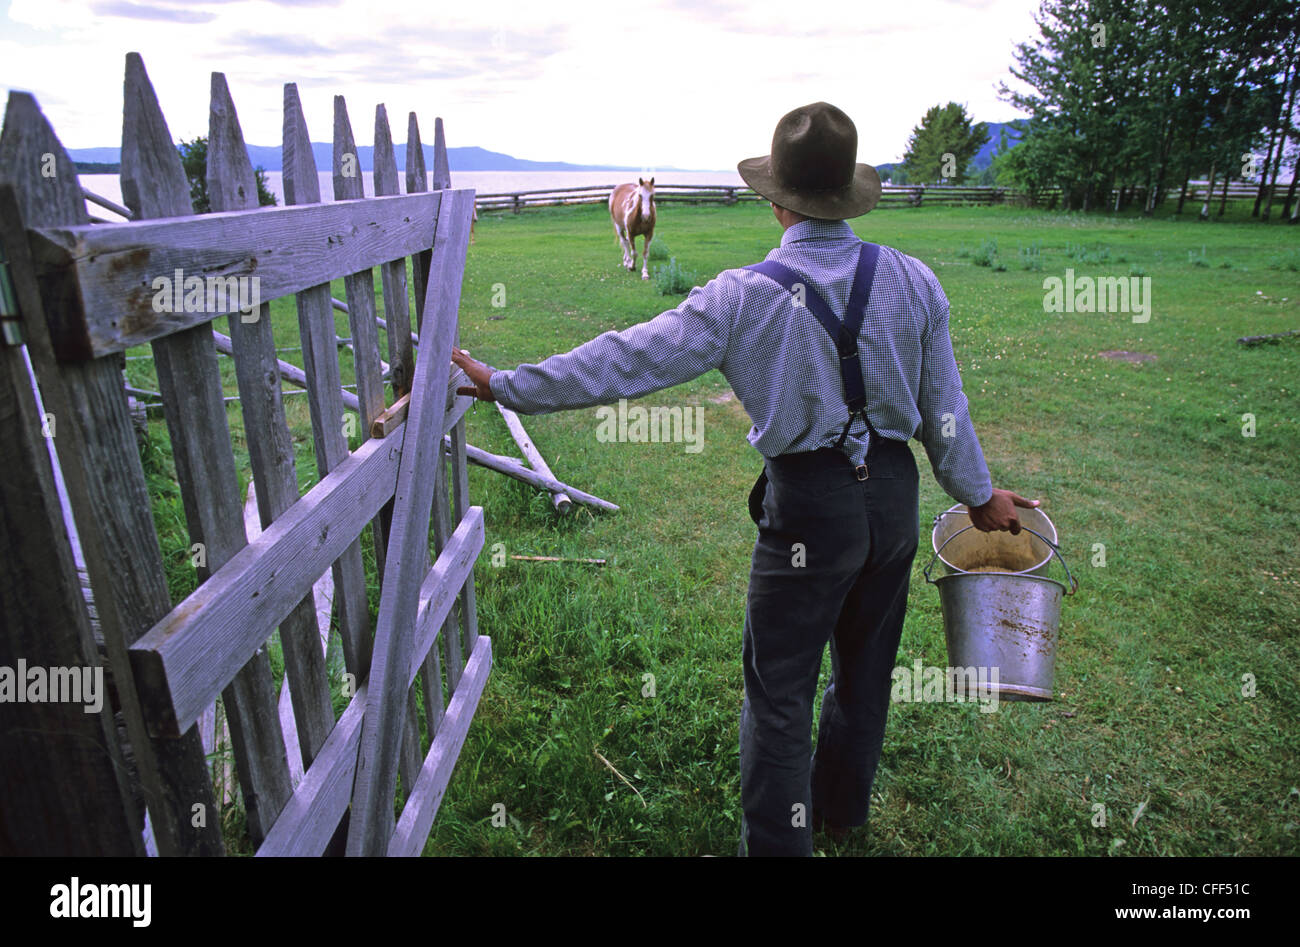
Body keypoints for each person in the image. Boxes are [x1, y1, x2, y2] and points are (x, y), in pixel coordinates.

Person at [451, 101, 1039, 857]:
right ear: (848, 196)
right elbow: (945, 412)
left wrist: (507, 384)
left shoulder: (739, 296)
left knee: (780, 691)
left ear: (775, 199)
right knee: (867, 672)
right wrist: (979, 495)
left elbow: (626, 358)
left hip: (808, 511)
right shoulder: (915, 282)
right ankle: (842, 814)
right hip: (893, 502)